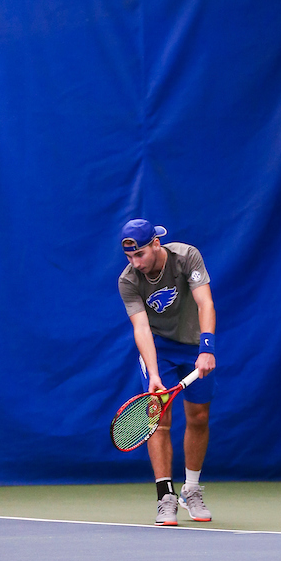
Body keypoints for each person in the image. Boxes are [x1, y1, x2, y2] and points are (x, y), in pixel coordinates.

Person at [117, 218, 216, 526]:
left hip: (193, 345)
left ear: (156, 244)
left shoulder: (187, 257)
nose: (135, 263)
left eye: (140, 255)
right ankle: (165, 496)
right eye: (130, 257)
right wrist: (155, 373)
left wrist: (207, 347)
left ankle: (191, 489)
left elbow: (205, 303)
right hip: (159, 349)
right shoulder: (129, 280)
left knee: (199, 416)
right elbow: (141, 328)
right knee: (159, 420)